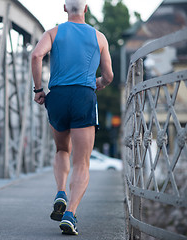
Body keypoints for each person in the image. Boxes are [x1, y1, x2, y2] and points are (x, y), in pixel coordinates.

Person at [31, 0, 113, 235]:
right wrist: (99, 83)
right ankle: (70, 214)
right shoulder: (99, 37)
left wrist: (38, 90)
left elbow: (37, 55)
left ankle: (60, 192)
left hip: (57, 96)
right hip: (84, 97)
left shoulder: (53, 32)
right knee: (82, 162)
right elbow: (108, 75)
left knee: (61, 150)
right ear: (86, 9)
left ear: (65, 8)